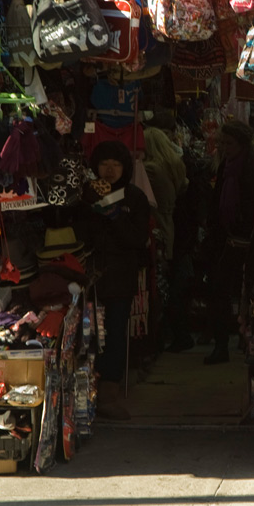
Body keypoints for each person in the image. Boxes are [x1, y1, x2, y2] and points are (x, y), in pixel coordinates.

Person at [79, 141, 150, 420]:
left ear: (125, 168)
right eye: (104, 164)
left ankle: (109, 393)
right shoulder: (84, 194)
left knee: (115, 332)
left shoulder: (135, 198)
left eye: (116, 165)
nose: (109, 170)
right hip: (87, 277)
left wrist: (115, 215)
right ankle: (83, 391)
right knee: (85, 334)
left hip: (120, 276)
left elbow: (137, 239)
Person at [203, 120, 254, 365]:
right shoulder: (227, 165)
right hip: (225, 237)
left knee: (240, 290)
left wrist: (242, 232)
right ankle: (223, 343)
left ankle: (238, 340)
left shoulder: (250, 166)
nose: (225, 147)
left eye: (229, 143)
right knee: (222, 290)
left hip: (243, 238)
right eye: (222, 143)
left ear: (241, 144)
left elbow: (250, 203)